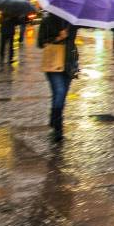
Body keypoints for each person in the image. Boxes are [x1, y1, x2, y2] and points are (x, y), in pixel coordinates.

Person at [38, 12, 78, 141]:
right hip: (53, 62)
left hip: (69, 62)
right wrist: (58, 38)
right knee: (59, 92)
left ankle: (53, 119)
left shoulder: (73, 20)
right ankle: (58, 128)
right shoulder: (47, 20)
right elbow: (40, 43)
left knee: (60, 95)